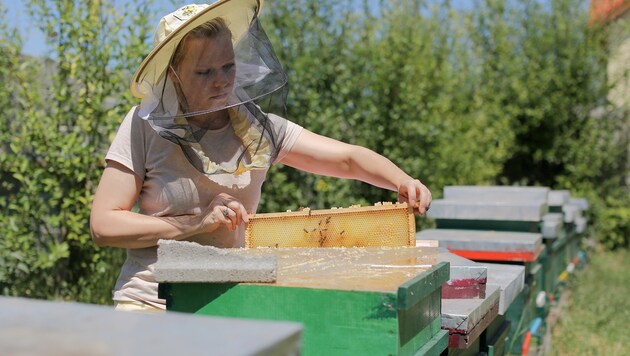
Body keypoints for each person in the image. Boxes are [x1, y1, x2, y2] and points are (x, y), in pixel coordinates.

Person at [90, 0, 431, 312]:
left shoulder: (256, 128)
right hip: (150, 301)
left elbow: (346, 158)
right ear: (174, 75)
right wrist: (194, 223)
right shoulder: (142, 125)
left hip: (234, 297)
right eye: (204, 72)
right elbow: (104, 225)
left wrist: (401, 180)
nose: (221, 81)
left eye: (228, 66)